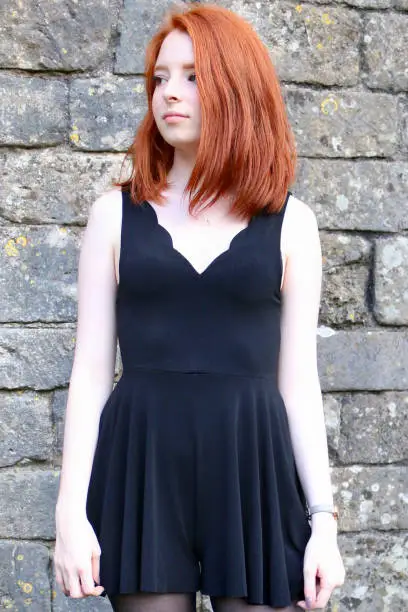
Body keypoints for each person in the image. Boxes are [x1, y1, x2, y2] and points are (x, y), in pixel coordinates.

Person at [54, 3, 345, 611]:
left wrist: (324, 522)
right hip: (144, 470)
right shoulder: (115, 215)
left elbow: (299, 382)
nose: (169, 93)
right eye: (160, 78)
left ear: (235, 87)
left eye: (191, 75)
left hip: (255, 475)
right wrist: (70, 514)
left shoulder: (292, 225)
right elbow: (88, 374)